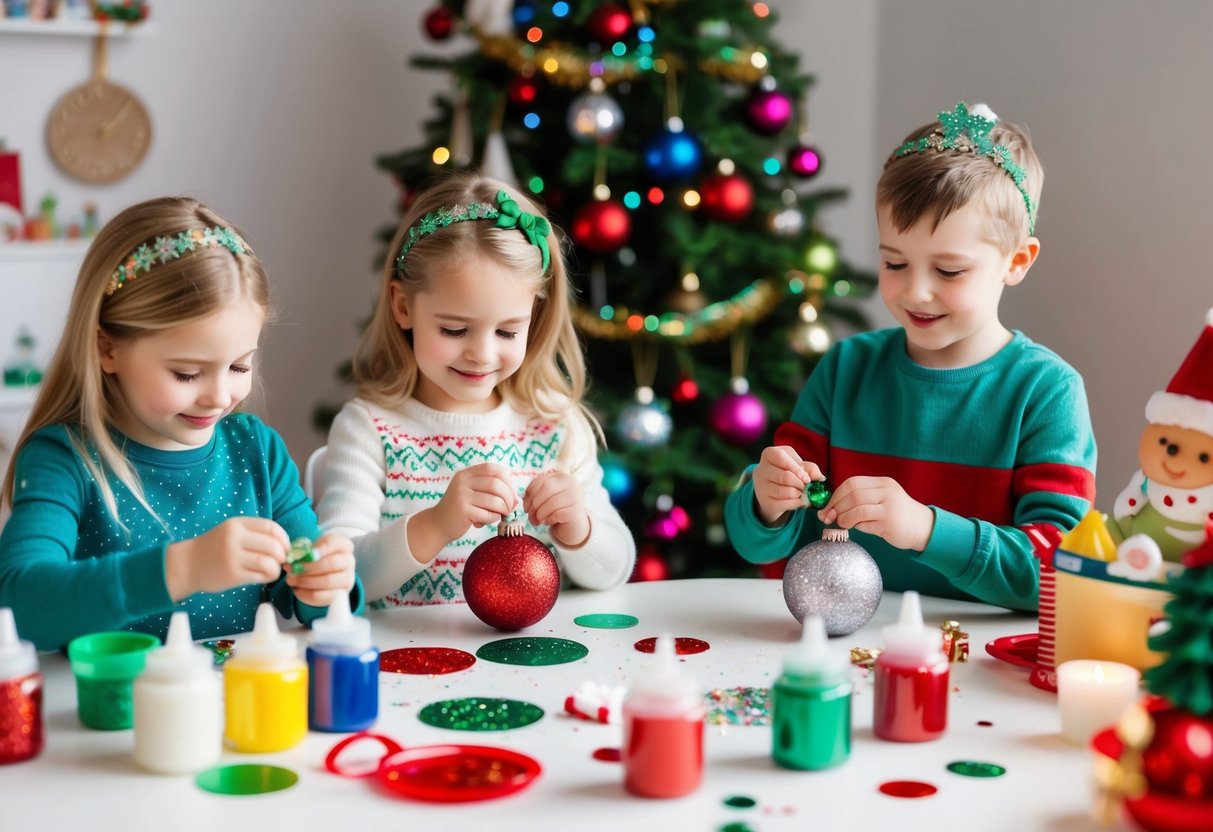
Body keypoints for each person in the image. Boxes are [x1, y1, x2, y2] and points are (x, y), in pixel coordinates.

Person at [725, 102, 1096, 612]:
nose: (916, 292)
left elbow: (1060, 571)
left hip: (980, 666)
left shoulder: (1046, 391)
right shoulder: (845, 370)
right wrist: (767, 505)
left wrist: (926, 529)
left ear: (1016, 262)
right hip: (841, 649)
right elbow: (759, 545)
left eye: (948, 271)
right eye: (894, 262)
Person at [0, 197, 359, 651]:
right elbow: (20, 605)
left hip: (238, 711)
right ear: (107, 349)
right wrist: (182, 568)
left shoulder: (258, 453)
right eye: (187, 373)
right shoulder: (64, 459)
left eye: (240, 367)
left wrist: (329, 584)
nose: (219, 395)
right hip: (112, 716)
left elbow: (315, 606)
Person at [318, 174, 635, 606]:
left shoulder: (555, 426)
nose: (481, 355)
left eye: (507, 331)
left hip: (533, 666)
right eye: (454, 329)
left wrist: (578, 528)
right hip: (405, 670)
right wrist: (436, 524)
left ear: (533, 317)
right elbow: (334, 581)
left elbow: (614, 572)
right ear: (403, 305)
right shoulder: (368, 429)